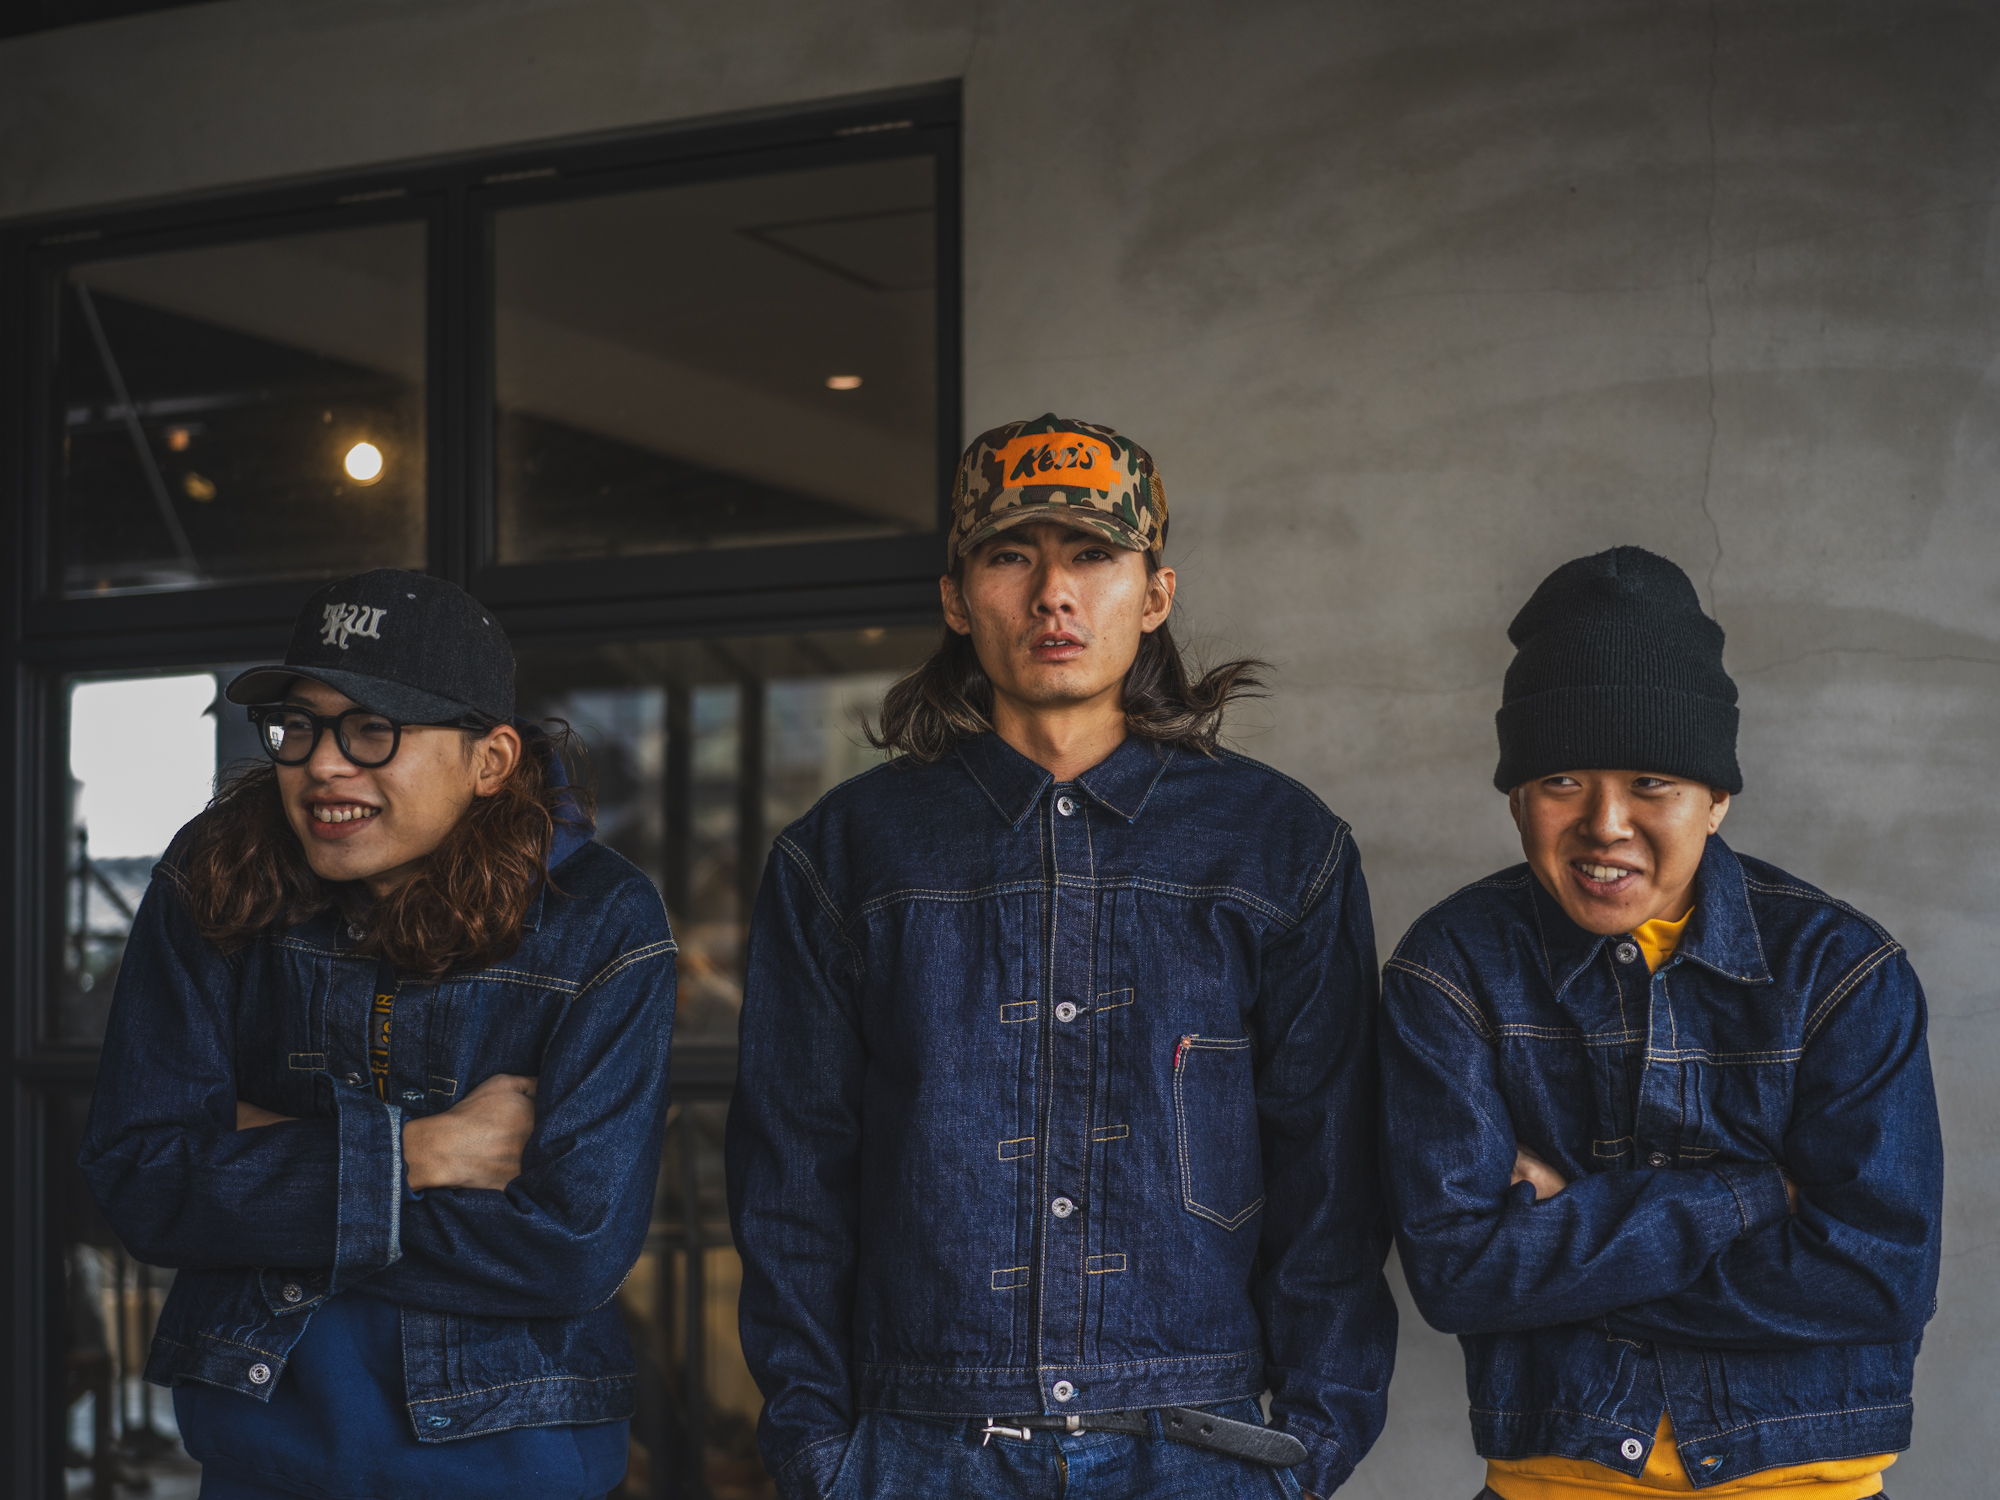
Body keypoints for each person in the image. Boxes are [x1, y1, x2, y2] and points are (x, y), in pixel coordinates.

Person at [726, 415, 1396, 1500]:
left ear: (1154, 594)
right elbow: (791, 1177)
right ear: (956, 599)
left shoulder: (1278, 846)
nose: (1052, 595)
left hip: (1198, 1447)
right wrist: (816, 1455)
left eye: (1091, 555)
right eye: (1010, 556)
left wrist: (1310, 1450)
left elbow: (1331, 1173)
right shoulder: (847, 853)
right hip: (922, 1447)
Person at [80, 569, 676, 1500]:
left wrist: (262, 1162)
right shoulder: (216, 875)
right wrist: (422, 1153)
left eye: (371, 729)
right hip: (261, 1452)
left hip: (510, 1461)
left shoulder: (601, 918)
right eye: (299, 726)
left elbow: (571, 1248)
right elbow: (141, 1180)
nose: (322, 764)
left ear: (491, 760)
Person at [1379, 547, 1943, 1500]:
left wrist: (1571, 1235)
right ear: (1516, 795)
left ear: (1716, 799)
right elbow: (1456, 1270)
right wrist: (1749, 1198)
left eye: (1652, 782)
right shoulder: (1451, 969)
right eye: (1562, 780)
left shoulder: (1841, 970)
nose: (1605, 823)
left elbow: (1878, 1277)